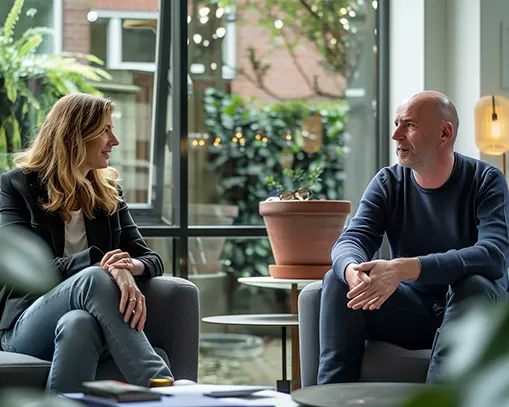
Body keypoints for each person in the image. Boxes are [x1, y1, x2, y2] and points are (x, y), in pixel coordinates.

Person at [318, 90, 509, 384]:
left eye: (409, 125)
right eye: (396, 124)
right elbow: (352, 239)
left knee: (472, 283)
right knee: (336, 279)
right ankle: (329, 399)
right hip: (414, 312)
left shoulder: (486, 180)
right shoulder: (388, 182)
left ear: (445, 133)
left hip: (475, 314)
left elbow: (493, 255)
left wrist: (406, 268)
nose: (396, 135)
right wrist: (352, 270)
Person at [0, 93, 173, 392]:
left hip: (85, 323)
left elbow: (151, 259)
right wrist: (102, 266)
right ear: (75, 135)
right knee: (93, 277)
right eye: (105, 130)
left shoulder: (108, 193)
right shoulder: (14, 186)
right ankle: (163, 389)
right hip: (23, 326)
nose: (114, 140)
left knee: (78, 323)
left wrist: (126, 265)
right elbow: (26, 270)